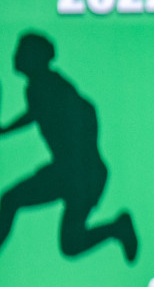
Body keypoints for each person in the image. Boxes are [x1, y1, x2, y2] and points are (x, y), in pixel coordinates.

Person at [0, 32, 137, 263]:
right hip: (72, 172)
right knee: (71, 243)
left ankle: (118, 228)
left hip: (80, 174)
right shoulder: (37, 87)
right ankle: (117, 228)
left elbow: (83, 111)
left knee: (12, 201)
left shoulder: (50, 86)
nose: (16, 56)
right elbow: (36, 114)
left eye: (22, 51)